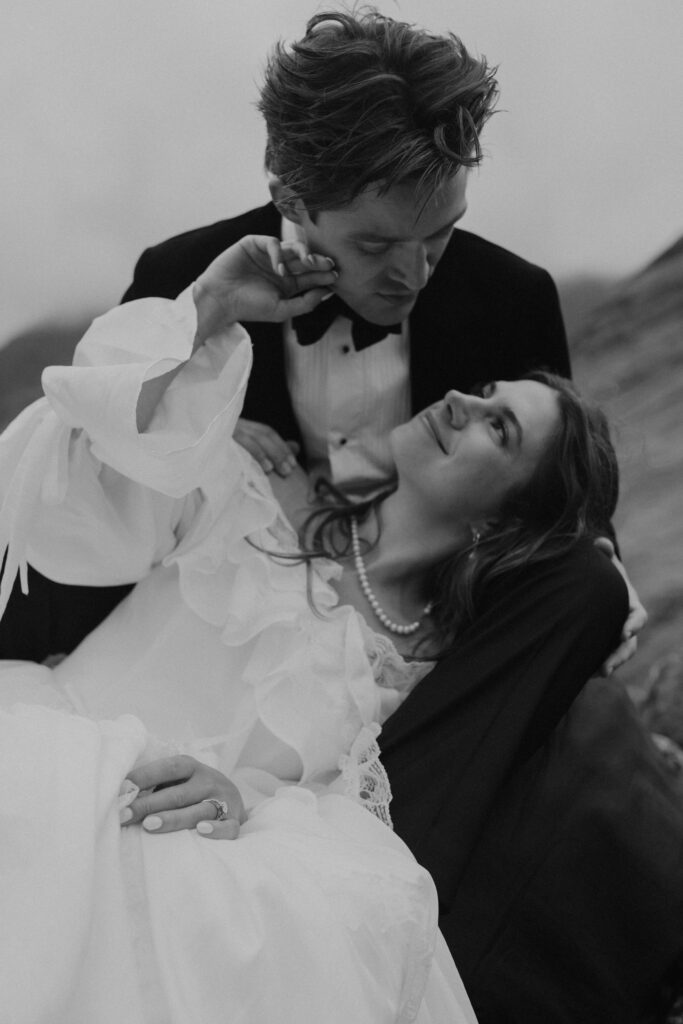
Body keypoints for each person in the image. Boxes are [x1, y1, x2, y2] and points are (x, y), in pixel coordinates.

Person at [1, 237, 682, 1024]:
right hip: (51, 759)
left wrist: (241, 798)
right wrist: (210, 306)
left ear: (507, 521)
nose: (464, 401)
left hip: (182, 862)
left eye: (499, 430)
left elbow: (341, 818)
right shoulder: (247, 486)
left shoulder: (422, 676)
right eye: (486, 389)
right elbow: (78, 494)